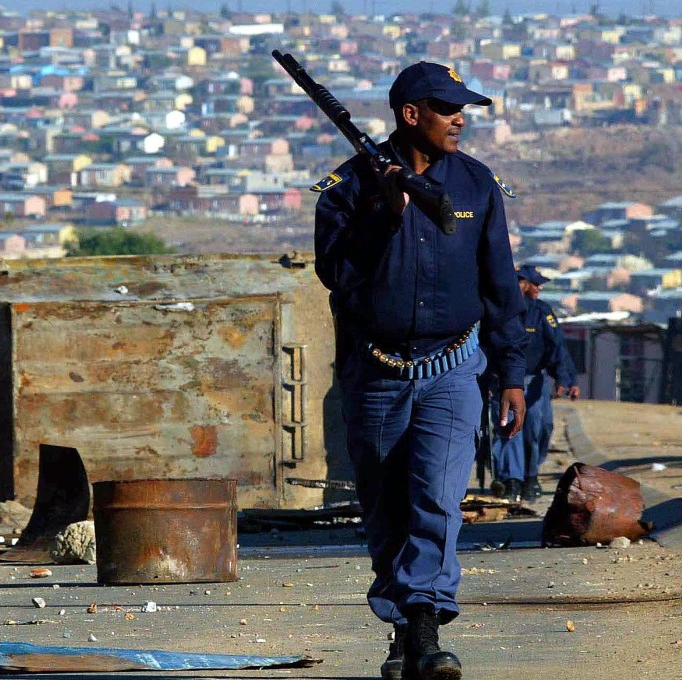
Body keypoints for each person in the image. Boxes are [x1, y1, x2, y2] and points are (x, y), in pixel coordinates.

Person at [314, 61, 528, 680]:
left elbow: (499, 286)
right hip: (377, 372)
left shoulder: (477, 184)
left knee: (437, 498)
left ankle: (429, 629)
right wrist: (385, 215)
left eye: (463, 109)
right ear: (412, 115)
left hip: (453, 367)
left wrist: (510, 373)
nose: (461, 119)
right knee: (387, 508)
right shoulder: (348, 188)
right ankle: (406, 632)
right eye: (448, 108)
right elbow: (337, 278)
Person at [491, 265, 579, 502]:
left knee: (537, 430)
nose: (539, 288)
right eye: (535, 283)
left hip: (534, 381)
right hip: (502, 382)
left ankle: (531, 476)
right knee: (509, 431)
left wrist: (564, 378)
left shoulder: (542, 312)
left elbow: (557, 347)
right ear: (522, 283)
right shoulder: (500, 308)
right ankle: (512, 479)